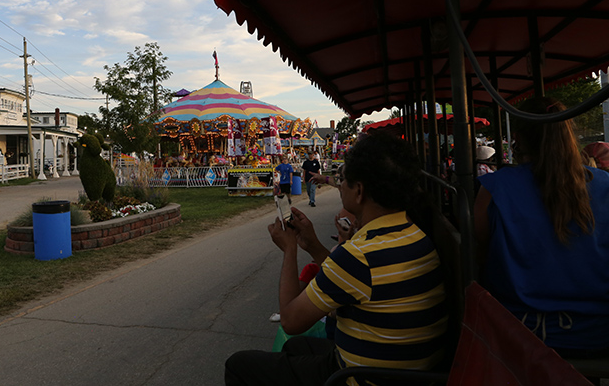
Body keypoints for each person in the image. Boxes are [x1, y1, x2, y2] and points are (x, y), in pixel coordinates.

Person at [225, 134, 448, 386]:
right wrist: (312, 245)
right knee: (298, 347)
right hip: (407, 371)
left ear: (359, 191)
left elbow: (289, 320)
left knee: (238, 365)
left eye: (343, 181)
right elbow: (348, 278)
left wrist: (290, 251)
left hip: (362, 378)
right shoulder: (413, 233)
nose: (340, 186)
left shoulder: (358, 254)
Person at [474, 97, 609, 358]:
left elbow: (481, 250)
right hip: (597, 336)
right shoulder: (604, 185)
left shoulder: (494, 189)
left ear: (520, 138)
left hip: (518, 334)